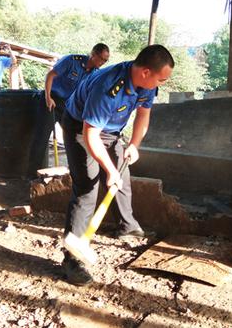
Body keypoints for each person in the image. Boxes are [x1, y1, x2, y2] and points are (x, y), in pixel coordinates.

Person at [61, 44, 174, 285]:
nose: (162, 84)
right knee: (87, 188)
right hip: (81, 128)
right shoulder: (107, 87)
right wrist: (109, 170)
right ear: (145, 72)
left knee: (122, 179)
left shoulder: (146, 85)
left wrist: (134, 144)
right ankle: (72, 259)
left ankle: (128, 227)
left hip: (111, 132)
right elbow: (90, 134)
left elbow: (143, 114)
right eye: (161, 79)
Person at [27, 43, 110, 176]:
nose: (103, 62)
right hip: (52, 99)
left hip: (69, 106)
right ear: (93, 54)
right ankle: (31, 174)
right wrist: (48, 97)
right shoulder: (71, 61)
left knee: (75, 137)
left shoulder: (95, 74)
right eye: (101, 59)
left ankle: (75, 173)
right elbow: (50, 75)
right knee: (41, 137)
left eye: (106, 60)